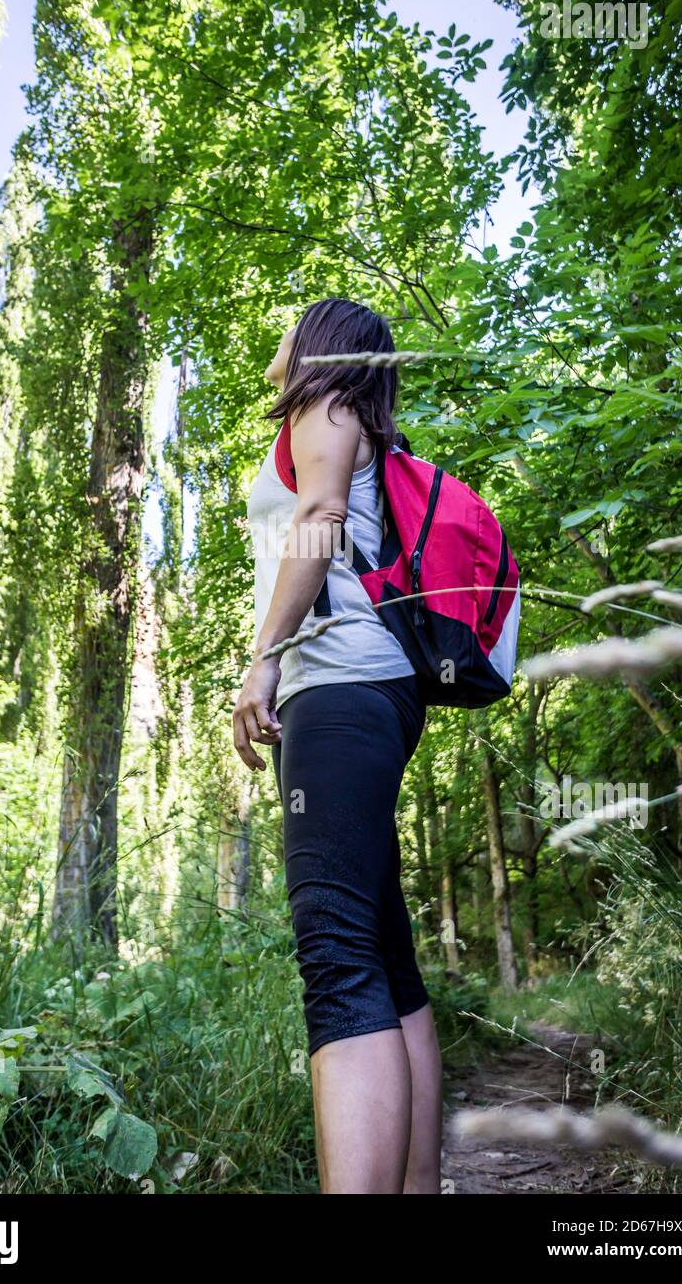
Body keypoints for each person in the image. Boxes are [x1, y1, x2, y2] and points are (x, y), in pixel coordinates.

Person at [234, 297, 443, 1194]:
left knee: (334, 952)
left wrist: (263, 662)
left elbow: (317, 516)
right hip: (378, 689)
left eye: (289, 328)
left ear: (318, 345)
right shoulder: (363, 423)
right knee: (381, 955)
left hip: (338, 690)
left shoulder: (323, 406)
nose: (276, 344)